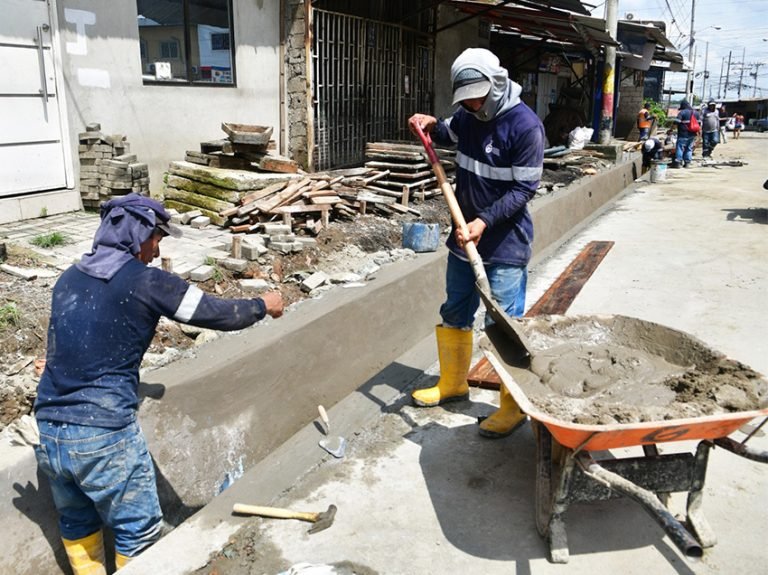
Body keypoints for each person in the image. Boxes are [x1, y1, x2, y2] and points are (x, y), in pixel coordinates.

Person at [33, 194, 283, 574]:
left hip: (51, 432)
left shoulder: (69, 278)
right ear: (139, 233)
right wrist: (262, 305)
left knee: (78, 521)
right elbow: (215, 313)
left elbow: (68, 348)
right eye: (157, 237)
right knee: (139, 529)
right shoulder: (147, 282)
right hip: (103, 436)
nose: (158, 247)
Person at [407, 48, 544, 439]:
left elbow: (524, 189)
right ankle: (453, 384)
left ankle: (513, 406)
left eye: (478, 97)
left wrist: (483, 221)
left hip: (504, 244)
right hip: (462, 240)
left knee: (502, 326)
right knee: (455, 310)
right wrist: (429, 123)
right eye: (466, 98)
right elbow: (446, 131)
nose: (472, 104)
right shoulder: (467, 117)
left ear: (497, 84)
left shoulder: (525, 127)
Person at [670, 99, 696, 168]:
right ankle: (687, 163)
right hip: (692, 134)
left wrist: (671, 130)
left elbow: (676, 122)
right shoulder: (695, 113)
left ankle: (678, 163)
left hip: (683, 134)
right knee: (689, 148)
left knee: (680, 147)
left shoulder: (682, 113)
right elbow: (699, 125)